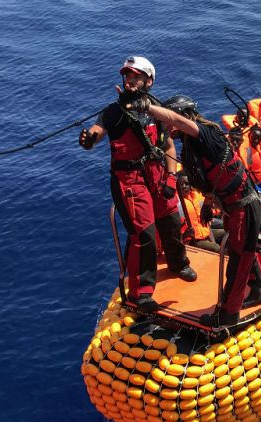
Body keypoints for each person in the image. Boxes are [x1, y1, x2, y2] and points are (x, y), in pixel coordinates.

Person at [126, 94, 261, 326]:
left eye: (172, 121)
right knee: (239, 251)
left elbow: (180, 122)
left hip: (244, 205)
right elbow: (215, 176)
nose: (168, 127)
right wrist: (210, 203)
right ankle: (258, 288)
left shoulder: (206, 134)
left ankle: (228, 314)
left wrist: (148, 108)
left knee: (239, 260)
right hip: (232, 206)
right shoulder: (191, 147)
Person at [78, 56, 196, 314]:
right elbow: (96, 134)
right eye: (128, 76)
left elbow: (166, 145)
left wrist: (171, 177)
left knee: (172, 221)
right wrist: (88, 139)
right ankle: (141, 293)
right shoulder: (113, 112)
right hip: (129, 181)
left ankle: (178, 263)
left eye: (136, 76)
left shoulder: (156, 109)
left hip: (156, 174)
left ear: (149, 81)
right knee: (143, 235)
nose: (130, 80)